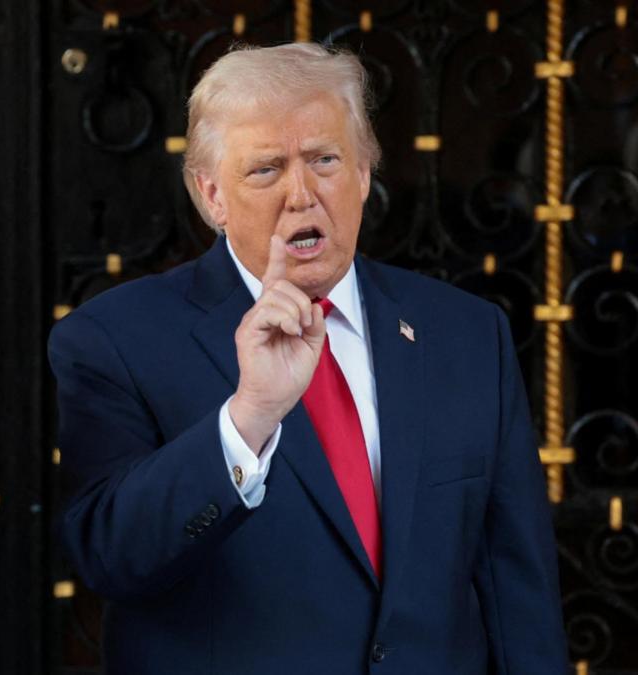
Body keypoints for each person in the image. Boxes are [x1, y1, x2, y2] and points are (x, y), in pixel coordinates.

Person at [48, 43, 567, 674]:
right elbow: (111, 556)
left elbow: (518, 587)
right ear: (211, 196)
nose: (302, 193)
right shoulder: (112, 339)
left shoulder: (465, 333)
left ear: (365, 174)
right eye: (266, 169)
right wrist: (250, 418)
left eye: (325, 160)